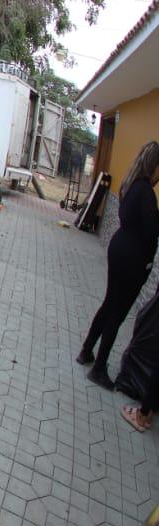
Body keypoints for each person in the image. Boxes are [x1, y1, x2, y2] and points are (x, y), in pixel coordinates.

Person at [77, 140, 159, 389]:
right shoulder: (146, 191)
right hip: (132, 259)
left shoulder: (130, 184)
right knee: (117, 313)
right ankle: (99, 368)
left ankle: (87, 351)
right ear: (154, 166)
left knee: (109, 303)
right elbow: (150, 231)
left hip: (120, 249)